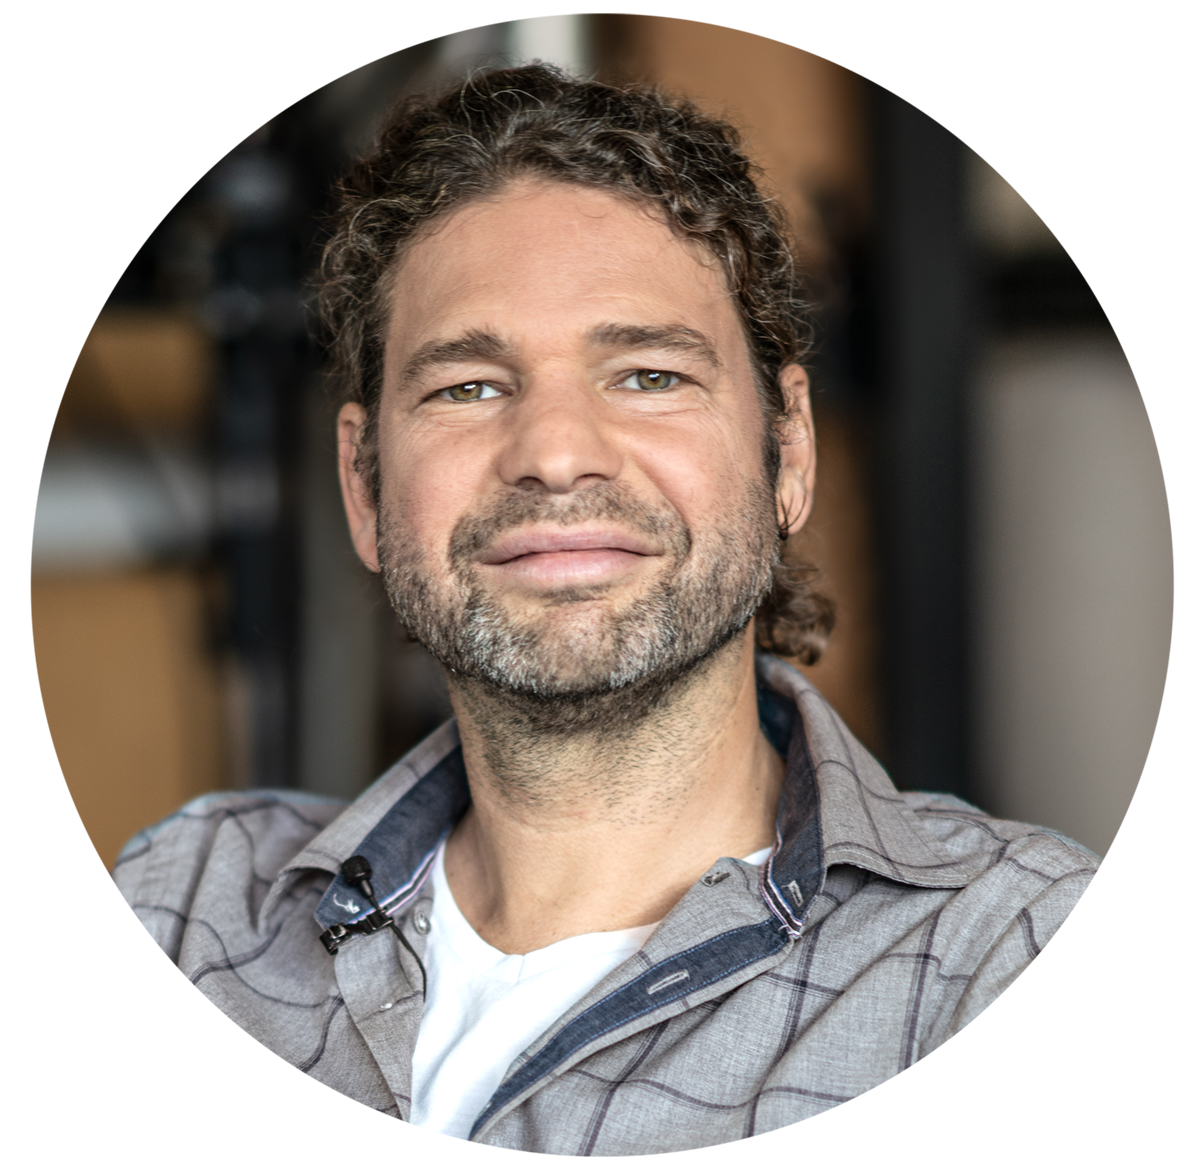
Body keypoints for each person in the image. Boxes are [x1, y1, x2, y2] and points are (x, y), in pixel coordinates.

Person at [115, 64, 1095, 1157]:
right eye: (468, 387)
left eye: (646, 375)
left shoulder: (1030, 964)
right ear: (362, 483)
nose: (554, 453)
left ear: (788, 452)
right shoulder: (177, 913)